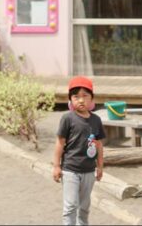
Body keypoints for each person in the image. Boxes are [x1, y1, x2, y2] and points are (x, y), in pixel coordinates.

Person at [52, 76, 105, 226]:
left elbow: (99, 145)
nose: (81, 100)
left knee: (84, 207)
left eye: (85, 96)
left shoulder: (96, 120)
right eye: (76, 96)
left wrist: (100, 166)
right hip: (70, 170)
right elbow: (60, 143)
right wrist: (56, 166)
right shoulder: (67, 118)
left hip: (89, 171)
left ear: (92, 99)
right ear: (70, 100)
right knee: (70, 206)